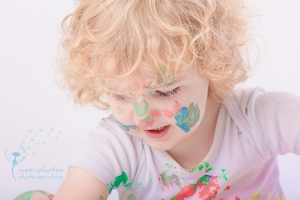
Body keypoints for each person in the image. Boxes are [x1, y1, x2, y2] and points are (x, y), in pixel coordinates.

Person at [54, 0, 300, 199]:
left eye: (165, 92)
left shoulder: (255, 120)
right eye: (120, 95)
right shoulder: (117, 145)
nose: (143, 116)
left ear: (211, 65)